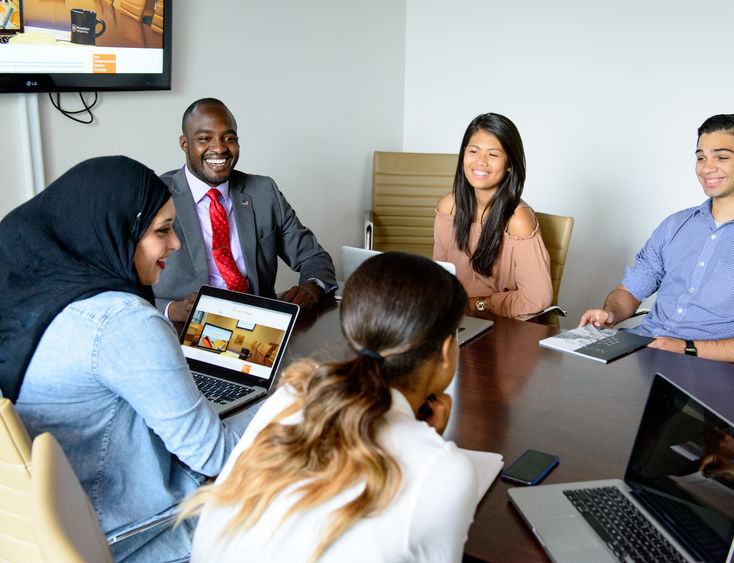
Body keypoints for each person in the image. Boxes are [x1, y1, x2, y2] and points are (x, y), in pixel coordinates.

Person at [0, 156, 256, 562]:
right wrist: (287, 405)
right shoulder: (122, 321)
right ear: (116, 232)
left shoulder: (29, 300)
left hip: (56, 531)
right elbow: (215, 456)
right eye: (162, 231)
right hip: (134, 533)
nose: (174, 244)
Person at [182, 252, 479, 562]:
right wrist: (431, 445)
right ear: (446, 350)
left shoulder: (289, 397)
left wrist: (420, 436)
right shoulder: (444, 471)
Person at [580, 114, 734, 364]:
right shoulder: (675, 225)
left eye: (722, 157)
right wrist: (611, 314)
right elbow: (630, 289)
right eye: (701, 157)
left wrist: (685, 348)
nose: (706, 168)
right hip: (641, 350)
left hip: (708, 371)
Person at [154, 98, 337, 323]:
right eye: (204, 138)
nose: (220, 148)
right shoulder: (154, 197)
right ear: (185, 144)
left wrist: (313, 286)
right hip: (183, 330)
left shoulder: (263, 192)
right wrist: (173, 310)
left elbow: (313, 256)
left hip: (257, 328)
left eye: (228, 138)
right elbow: (121, 286)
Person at [434, 112, 553, 318]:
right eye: (473, 151)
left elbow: (536, 298)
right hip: (454, 318)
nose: (480, 162)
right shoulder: (449, 206)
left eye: (493, 154)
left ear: (509, 164)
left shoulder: (517, 220)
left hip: (498, 323)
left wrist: (476, 305)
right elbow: (440, 276)